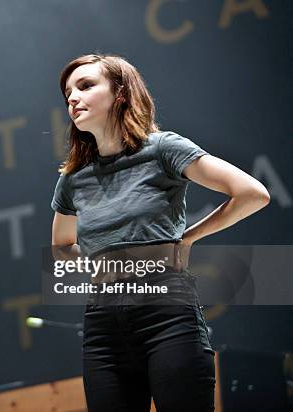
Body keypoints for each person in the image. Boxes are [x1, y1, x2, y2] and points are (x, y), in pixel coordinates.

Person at [51, 54, 270, 412]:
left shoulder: (162, 148)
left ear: (120, 92)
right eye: (67, 93)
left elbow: (251, 194)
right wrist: (102, 264)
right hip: (103, 324)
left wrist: (187, 238)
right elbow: (61, 246)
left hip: (166, 312)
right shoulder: (73, 177)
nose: (72, 98)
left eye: (86, 86)